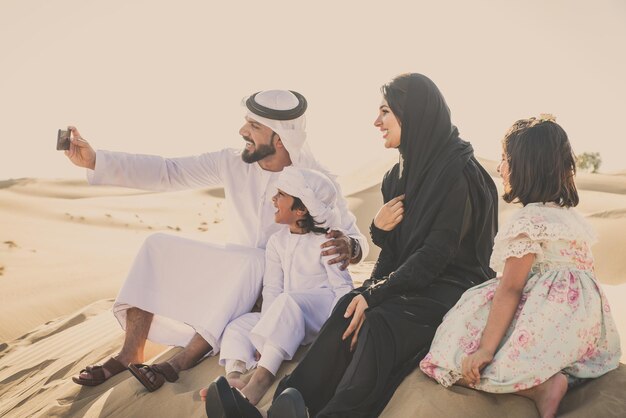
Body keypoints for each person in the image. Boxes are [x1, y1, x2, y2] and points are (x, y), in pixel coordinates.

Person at [214, 73, 499, 418]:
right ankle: (287, 405)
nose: (376, 121)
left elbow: (438, 253)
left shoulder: (458, 173)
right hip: (412, 282)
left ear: (414, 115)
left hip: (454, 288)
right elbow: (394, 255)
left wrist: (376, 294)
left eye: (385, 112)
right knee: (350, 305)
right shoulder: (398, 177)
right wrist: (372, 270)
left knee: (379, 322)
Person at [65, 90, 368, 390]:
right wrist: (95, 160)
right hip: (229, 279)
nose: (243, 131)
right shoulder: (232, 162)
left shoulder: (317, 180)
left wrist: (350, 247)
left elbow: (356, 242)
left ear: (280, 138)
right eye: (246, 122)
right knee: (156, 244)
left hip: (276, 294)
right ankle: (130, 350)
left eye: (254, 126)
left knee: (255, 260)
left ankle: (182, 361)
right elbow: (169, 172)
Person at [420, 115, 621, 418]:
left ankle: (538, 387)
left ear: (524, 167)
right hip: (584, 329)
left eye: (504, 159)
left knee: (448, 356)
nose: (500, 168)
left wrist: (486, 349)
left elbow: (511, 288)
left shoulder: (528, 222)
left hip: (547, 318)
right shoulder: (570, 219)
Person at [203, 166, 354, 416]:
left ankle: (259, 382)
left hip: (321, 315)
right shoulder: (277, 242)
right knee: (237, 325)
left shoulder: (328, 242)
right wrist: (267, 328)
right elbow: (272, 288)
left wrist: (336, 329)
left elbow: (343, 289)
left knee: (288, 302)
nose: (274, 199)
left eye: (281, 194)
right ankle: (236, 376)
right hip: (286, 315)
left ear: (301, 209)